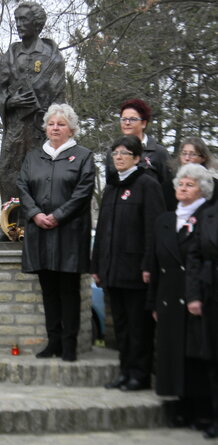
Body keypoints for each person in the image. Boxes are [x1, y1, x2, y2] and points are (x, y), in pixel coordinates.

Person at [16, 103, 95, 362]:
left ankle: (70, 344)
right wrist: (36, 213)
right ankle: (54, 341)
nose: (55, 128)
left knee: (68, 291)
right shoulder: (34, 156)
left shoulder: (83, 156)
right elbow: (23, 186)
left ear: (71, 128)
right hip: (40, 233)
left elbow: (83, 192)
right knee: (48, 291)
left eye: (61, 124)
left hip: (69, 235)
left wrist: (58, 216)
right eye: (51, 124)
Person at [92, 135, 166, 391]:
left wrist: (149, 265)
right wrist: (97, 266)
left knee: (139, 327)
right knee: (121, 327)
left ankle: (140, 374)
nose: (119, 157)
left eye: (125, 153)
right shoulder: (112, 186)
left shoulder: (147, 184)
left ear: (137, 157)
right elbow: (102, 231)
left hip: (136, 271)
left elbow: (154, 231)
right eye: (116, 153)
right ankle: (125, 371)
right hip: (112, 270)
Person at [148, 164, 214, 428]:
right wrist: (152, 300)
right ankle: (178, 407)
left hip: (197, 295)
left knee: (195, 356)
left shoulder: (209, 218)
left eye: (190, 184)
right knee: (171, 354)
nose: (182, 188)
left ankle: (202, 410)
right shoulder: (165, 220)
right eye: (180, 183)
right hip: (168, 294)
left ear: (203, 190)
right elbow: (154, 264)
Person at [0, 2, 65, 205]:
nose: (18, 24)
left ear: (36, 23)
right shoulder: (11, 54)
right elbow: (1, 94)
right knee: (7, 172)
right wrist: (9, 102)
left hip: (41, 127)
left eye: (23, 20)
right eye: (17, 20)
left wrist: (51, 123)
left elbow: (60, 99)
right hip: (16, 128)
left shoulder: (52, 57)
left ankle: (37, 219)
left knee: (41, 174)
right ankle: (10, 222)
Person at [187, 192, 218, 439]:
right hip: (211, 293)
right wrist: (194, 296)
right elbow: (194, 256)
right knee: (214, 360)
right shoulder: (208, 213)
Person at [105, 99, 172, 206]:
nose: (127, 123)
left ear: (144, 123)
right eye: (124, 119)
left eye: (132, 119)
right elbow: (110, 186)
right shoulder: (112, 152)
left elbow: (169, 189)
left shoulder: (159, 152)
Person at [167, 138, 218, 207]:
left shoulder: (214, 184)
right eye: (184, 153)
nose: (187, 158)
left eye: (193, 154)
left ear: (203, 158)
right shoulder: (169, 184)